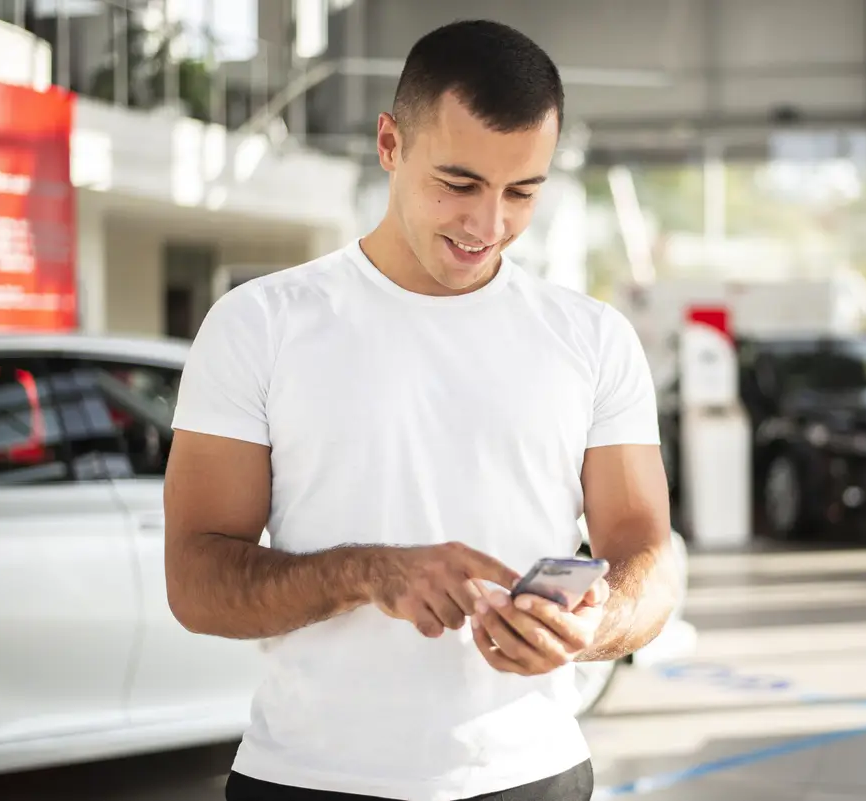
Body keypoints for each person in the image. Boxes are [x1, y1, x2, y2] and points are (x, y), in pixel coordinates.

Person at [162, 18, 679, 801]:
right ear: (390, 144)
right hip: (308, 779)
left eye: (522, 192)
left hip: (532, 776)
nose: (489, 224)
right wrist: (368, 572)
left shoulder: (593, 339)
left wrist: (594, 627)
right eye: (460, 183)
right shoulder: (259, 324)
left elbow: (649, 553)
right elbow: (196, 580)